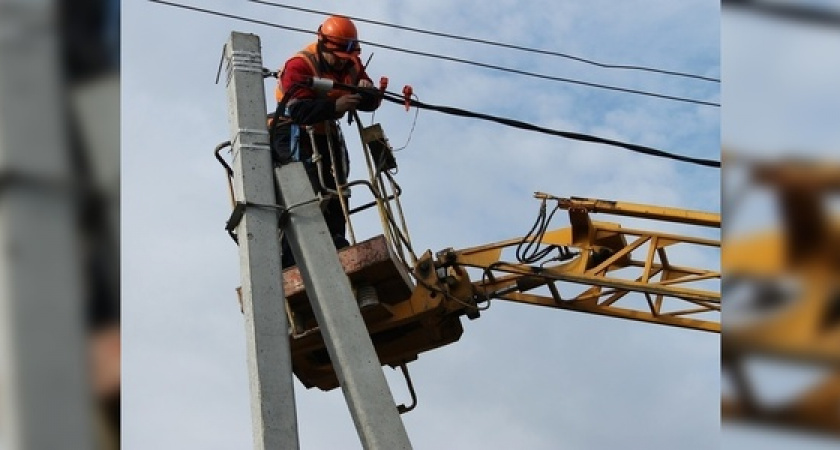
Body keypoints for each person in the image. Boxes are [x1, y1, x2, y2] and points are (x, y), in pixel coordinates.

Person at [271, 15, 381, 268]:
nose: (343, 65)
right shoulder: (299, 65)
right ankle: (292, 258)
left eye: (348, 60)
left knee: (335, 189)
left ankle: (335, 242)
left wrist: (367, 92)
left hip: (325, 133)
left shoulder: (352, 61)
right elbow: (297, 111)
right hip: (292, 132)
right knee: (307, 190)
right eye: (339, 59)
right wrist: (335, 106)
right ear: (324, 45)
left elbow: (372, 100)